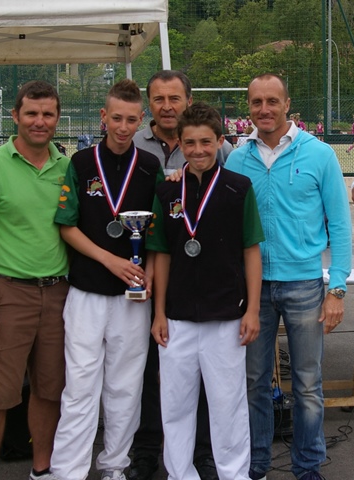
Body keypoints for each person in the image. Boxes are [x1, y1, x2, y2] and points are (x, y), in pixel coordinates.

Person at [225, 73, 352, 480]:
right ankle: (256, 465)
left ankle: (308, 466)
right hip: (254, 287)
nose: (264, 109)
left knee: (308, 385)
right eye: (256, 102)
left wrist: (337, 287)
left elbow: (341, 225)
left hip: (303, 285)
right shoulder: (237, 158)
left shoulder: (319, 155)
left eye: (272, 101)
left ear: (287, 104)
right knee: (254, 383)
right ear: (249, 106)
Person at [50, 80, 164, 480]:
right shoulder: (80, 163)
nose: (123, 126)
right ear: (103, 117)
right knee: (80, 386)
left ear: (141, 120)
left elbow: (154, 237)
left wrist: (146, 279)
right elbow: (67, 227)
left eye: (132, 120)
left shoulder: (150, 168)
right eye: (116, 118)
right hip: (86, 294)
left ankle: (115, 466)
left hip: (132, 300)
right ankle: (68, 471)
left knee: (125, 388)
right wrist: (109, 260)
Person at [148, 102, 264, 480]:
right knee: (176, 404)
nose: (198, 150)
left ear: (220, 141)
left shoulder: (238, 188)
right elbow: (161, 255)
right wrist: (159, 313)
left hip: (226, 316)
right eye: (190, 143)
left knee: (228, 403)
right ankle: (180, 474)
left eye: (206, 142)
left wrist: (252, 311)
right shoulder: (167, 193)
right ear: (179, 143)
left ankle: (234, 474)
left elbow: (251, 251)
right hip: (178, 317)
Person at [0, 80, 70, 480]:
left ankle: (41, 470)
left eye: (47, 114)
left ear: (57, 119)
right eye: (31, 113)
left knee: (48, 390)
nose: (39, 122)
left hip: (58, 293)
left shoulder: (67, 168)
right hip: (6, 294)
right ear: (15, 116)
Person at [132, 69, 231, 480]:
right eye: (159, 99)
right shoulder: (133, 143)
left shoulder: (210, 146)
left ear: (188, 101)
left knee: (201, 373)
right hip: (144, 273)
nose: (167, 106)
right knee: (153, 370)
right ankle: (147, 450)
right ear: (148, 105)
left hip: (199, 280)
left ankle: (203, 453)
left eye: (175, 98)